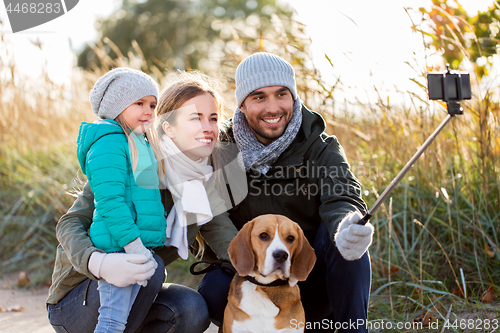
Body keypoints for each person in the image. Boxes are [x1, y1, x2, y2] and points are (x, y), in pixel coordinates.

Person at [47, 70, 239, 333]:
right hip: (80, 295)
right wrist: (99, 263)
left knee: (191, 308)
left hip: (139, 288)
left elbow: (224, 236)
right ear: (168, 125)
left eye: (213, 118)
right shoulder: (132, 158)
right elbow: (69, 224)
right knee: (152, 265)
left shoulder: (201, 183)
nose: (207, 127)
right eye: (195, 118)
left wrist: (263, 270)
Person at [197, 52, 374, 333]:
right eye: (259, 97)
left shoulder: (320, 147)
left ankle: (350, 329)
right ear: (242, 105)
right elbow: (210, 215)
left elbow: (342, 194)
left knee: (346, 236)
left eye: (282, 94)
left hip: (308, 277)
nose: (273, 107)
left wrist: (346, 222)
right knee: (214, 290)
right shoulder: (220, 151)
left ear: (293, 97)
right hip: (250, 275)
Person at [77, 67, 166, 333]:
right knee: (113, 320)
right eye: (139, 103)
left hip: (127, 246)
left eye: (152, 104)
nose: (149, 110)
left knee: (123, 319)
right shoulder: (109, 143)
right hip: (119, 249)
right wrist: (135, 246)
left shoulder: (138, 142)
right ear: (116, 106)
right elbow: (110, 203)